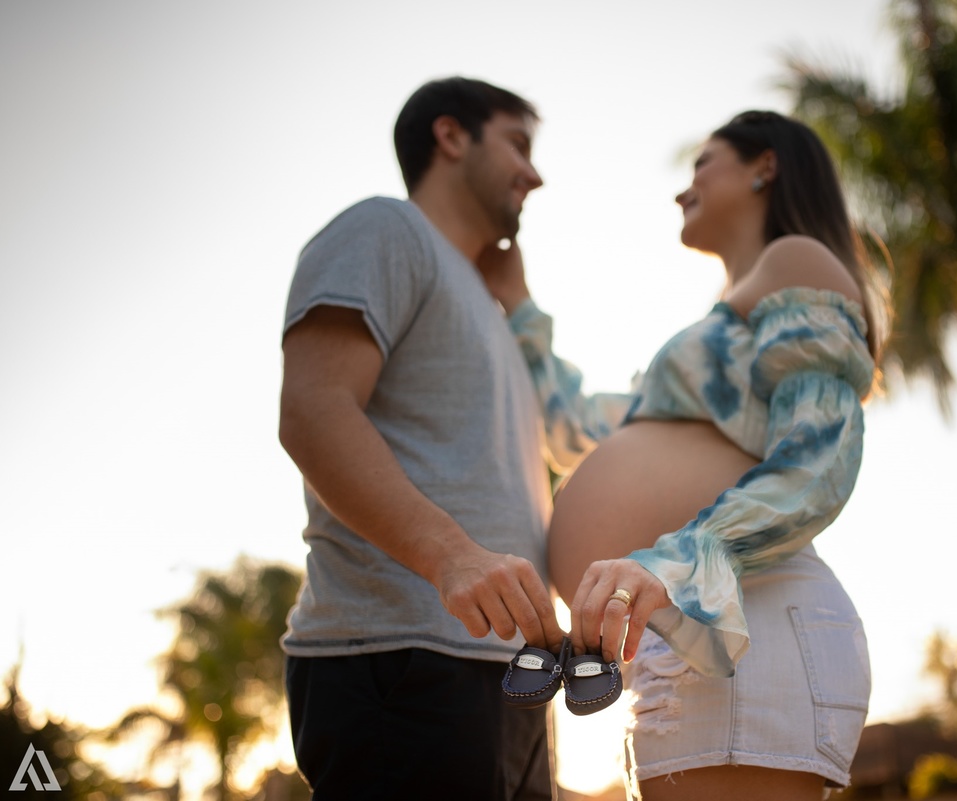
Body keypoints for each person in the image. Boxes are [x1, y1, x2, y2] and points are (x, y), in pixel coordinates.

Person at [487, 110, 887, 800]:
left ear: (765, 165)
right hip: (696, 636)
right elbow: (578, 428)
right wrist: (520, 305)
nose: (683, 188)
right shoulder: (713, 338)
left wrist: (670, 566)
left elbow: (817, 457)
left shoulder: (797, 260)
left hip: (744, 621)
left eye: (704, 163)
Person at [277, 76, 564, 800]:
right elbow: (313, 409)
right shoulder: (386, 229)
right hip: (403, 655)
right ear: (451, 135)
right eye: (518, 144)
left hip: (503, 670)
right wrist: (454, 557)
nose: (535, 173)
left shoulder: (489, 307)